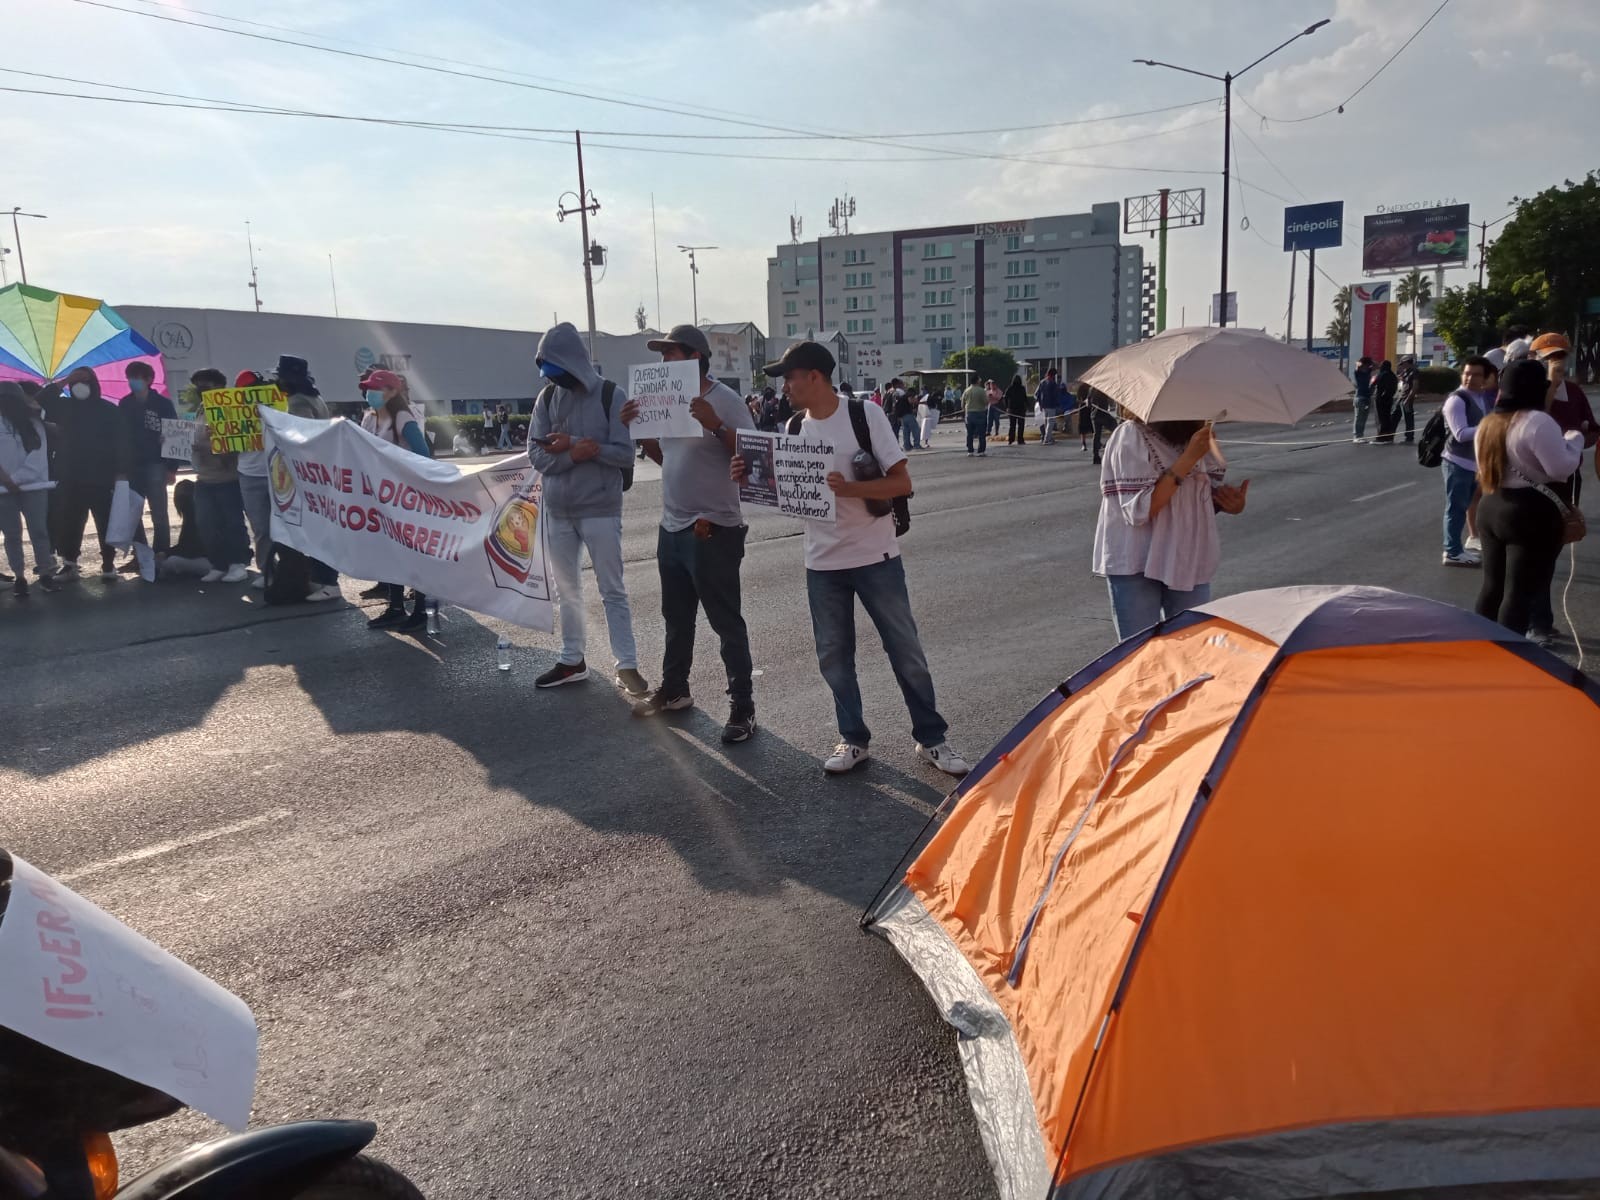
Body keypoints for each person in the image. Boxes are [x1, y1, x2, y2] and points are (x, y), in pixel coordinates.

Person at [732, 340, 970, 778]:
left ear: (814, 377)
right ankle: (853, 738)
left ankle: (932, 738)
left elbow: (901, 483)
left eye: (790, 377)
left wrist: (851, 489)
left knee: (905, 650)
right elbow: (792, 496)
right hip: (821, 563)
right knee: (834, 655)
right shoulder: (793, 430)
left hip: (875, 555)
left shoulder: (864, 415)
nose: (784, 387)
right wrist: (751, 478)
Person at [623, 325, 755, 741]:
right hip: (672, 526)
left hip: (713, 527)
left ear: (695, 357)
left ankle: (743, 707)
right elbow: (668, 458)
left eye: (671, 354)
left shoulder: (724, 401)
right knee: (676, 619)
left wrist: (716, 426)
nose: (663, 363)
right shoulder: (669, 404)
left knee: (725, 622)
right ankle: (676, 689)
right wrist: (641, 431)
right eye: (661, 356)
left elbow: (755, 454)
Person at [528, 322, 647, 696]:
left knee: (612, 590)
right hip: (558, 511)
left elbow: (625, 453)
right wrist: (574, 456)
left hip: (600, 508)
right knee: (567, 592)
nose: (554, 379)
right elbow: (535, 455)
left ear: (572, 362)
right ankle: (571, 659)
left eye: (557, 370)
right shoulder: (546, 399)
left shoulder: (612, 395)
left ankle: (626, 666)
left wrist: (577, 445)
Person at [1093, 417, 1248, 641]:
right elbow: (1139, 511)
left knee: (1191, 649)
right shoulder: (1130, 435)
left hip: (1186, 556)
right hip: (1137, 561)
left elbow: (1196, 499)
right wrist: (1189, 457)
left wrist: (1229, 503)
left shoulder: (1198, 436)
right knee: (1141, 653)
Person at [1472, 358, 1583, 638]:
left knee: (1492, 586)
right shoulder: (1537, 421)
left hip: (1491, 506)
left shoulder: (1488, 423)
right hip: (1528, 513)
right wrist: (1575, 440)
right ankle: (1510, 659)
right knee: (1518, 591)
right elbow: (1559, 469)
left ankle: (1479, 647)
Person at [1524, 332, 1596, 645]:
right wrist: (1550, 388)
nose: (1558, 363)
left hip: (1566, 481)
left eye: (1561, 357)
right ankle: (1532, 623)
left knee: (1551, 550)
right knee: (1533, 553)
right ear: (1534, 359)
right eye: (1550, 357)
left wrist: (1580, 436)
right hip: (1530, 484)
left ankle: (1541, 619)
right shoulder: (1524, 391)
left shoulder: (1575, 393)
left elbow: (1590, 430)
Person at [359, 369, 433, 630]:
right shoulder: (370, 418)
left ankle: (422, 610)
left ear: (392, 392)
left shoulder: (402, 417)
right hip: (380, 496)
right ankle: (395, 607)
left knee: (412, 553)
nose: (370, 393)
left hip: (403, 496)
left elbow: (422, 452)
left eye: (376, 389)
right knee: (388, 553)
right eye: (369, 388)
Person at [41, 367, 122, 582]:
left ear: (94, 385)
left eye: (85, 381)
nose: (80, 386)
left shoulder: (108, 410)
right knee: (69, 520)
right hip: (70, 474)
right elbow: (41, 401)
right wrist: (65, 380)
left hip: (101, 475)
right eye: (77, 382)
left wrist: (120, 472)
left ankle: (108, 563)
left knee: (105, 521)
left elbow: (121, 444)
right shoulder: (65, 407)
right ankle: (69, 563)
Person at [111, 361, 180, 575]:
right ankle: (139, 555)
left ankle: (161, 553)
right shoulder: (125, 404)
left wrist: (172, 467)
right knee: (133, 512)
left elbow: (175, 434)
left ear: (149, 380)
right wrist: (120, 468)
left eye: (138, 377)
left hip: (156, 463)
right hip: (132, 465)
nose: (134, 382)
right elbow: (119, 437)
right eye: (131, 377)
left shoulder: (162, 403)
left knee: (159, 511)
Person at [187, 368, 252, 584]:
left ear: (219, 386)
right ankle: (218, 563)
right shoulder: (201, 409)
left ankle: (238, 562)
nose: (201, 389)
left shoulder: (231, 408)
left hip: (227, 477)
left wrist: (215, 446)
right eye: (198, 385)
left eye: (206, 384)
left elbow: (236, 445)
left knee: (232, 522)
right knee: (206, 522)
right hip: (204, 478)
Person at [0, 381, 57, 597]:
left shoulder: (35, 423)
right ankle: (19, 577)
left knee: (39, 532)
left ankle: (45, 574)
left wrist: (14, 479)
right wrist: (6, 480)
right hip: (4, 489)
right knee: (12, 535)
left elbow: (37, 459)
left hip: (34, 486)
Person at [1440, 356, 1497, 567]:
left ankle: (1464, 545)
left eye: (1476, 374)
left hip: (1475, 463)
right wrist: (1491, 426)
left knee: (1472, 505)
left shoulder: (1482, 397)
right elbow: (1461, 433)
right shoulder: (1457, 399)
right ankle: (1452, 551)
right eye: (1466, 373)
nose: (1469, 378)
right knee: (1455, 507)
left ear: (1486, 377)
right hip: (1457, 462)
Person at [157, 479, 214, 579]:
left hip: (210, 561)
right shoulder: (202, 509)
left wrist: (167, 553)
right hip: (216, 559)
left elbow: (190, 549)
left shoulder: (192, 515)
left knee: (170, 562)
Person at [1371, 360, 1400, 445]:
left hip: (1380, 399)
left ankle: (1381, 437)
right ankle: (1389, 436)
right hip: (1389, 399)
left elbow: (1373, 384)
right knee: (1387, 417)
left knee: (1380, 418)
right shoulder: (1393, 376)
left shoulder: (1381, 375)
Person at [961, 376, 989, 457]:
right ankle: (981, 451)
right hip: (980, 413)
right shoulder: (981, 390)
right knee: (981, 433)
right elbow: (986, 402)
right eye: (979, 380)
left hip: (969, 414)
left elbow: (962, 403)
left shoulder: (966, 390)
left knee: (970, 434)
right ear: (977, 381)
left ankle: (970, 451)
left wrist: (965, 409)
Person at [1036, 367, 1064, 445]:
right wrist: (1058, 404)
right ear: (1053, 375)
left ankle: (1049, 437)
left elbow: (1037, 394)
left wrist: (1040, 404)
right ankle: (1047, 439)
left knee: (1046, 423)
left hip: (1043, 405)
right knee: (1051, 422)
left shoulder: (1042, 382)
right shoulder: (1053, 383)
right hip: (1051, 405)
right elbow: (1055, 395)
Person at [1395, 356, 1419, 444]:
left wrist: (1408, 399)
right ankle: (1389, 435)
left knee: (1408, 418)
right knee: (1395, 415)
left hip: (1407, 398)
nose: (1402, 365)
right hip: (1401, 397)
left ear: (1407, 363)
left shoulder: (1414, 372)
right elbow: (1403, 381)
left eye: (1403, 363)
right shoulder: (1406, 372)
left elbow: (1415, 386)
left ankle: (1409, 437)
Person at [890, 381, 920, 451]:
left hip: (901, 417)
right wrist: (915, 401)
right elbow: (910, 401)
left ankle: (907, 446)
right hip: (908, 414)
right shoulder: (908, 395)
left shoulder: (901, 397)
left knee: (906, 432)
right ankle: (916, 445)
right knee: (916, 429)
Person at [1352, 356, 1374, 443]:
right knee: (1359, 418)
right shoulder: (1358, 372)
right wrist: (1362, 362)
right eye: (1367, 365)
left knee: (1363, 418)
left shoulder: (1367, 372)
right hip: (1360, 397)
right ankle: (1357, 436)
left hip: (1367, 397)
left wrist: (1370, 362)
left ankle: (1361, 435)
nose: (1368, 366)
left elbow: (1377, 365)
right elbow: (1357, 364)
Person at [1003, 375, 1029, 446]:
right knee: (1021, 425)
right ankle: (1020, 439)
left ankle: (1011, 439)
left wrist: (1006, 407)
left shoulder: (1010, 388)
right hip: (1021, 409)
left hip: (1012, 409)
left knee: (1012, 425)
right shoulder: (1022, 388)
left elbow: (1005, 397)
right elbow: (1025, 398)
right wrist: (1027, 406)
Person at [1077, 383, 1094, 450]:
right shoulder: (1081, 387)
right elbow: (1078, 399)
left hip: (1091, 409)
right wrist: (1084, 401)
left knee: (1093, 427)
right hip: (1083, 409)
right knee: (1083, 427)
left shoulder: (1093, 388)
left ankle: (1097, 442)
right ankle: (1083, 444)